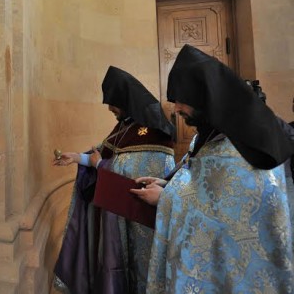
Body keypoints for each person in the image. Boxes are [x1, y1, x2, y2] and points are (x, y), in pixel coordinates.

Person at [136, 44, 294, 294]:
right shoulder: (209, 134)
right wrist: (168, 184)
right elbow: (200, 184)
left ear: (204, 98)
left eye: (180, 101)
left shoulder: (243, 146)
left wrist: (166, 198)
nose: (175, 109)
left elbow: (231, 214)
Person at [52, 66, 175, 294]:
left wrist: (100, 165)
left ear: (125, 100)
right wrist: (76, 157)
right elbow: (105, 153)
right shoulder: (125, 125)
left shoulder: (154, 133)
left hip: (139, 222)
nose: (110, 109)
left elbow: (131, 173)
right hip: (115, 217)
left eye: (113, 103)